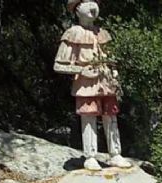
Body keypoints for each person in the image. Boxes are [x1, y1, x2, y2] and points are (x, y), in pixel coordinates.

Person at [54, 0, 132, 170]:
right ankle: (90, 156)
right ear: (77, 10)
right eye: (86, 2)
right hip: (86, 85)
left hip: (107, 83)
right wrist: (81, 71)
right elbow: (59, 64)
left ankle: (115, 154)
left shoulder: (102, 32)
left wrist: (115, 74)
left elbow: (113, 61)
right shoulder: (72, 33)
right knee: (88, 117)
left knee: (110, 117)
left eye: (94, 1)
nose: (92, 7)